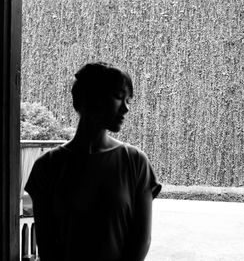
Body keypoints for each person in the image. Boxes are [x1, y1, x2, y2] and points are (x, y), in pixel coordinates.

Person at [25, 62, 162, 261]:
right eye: (118, 97)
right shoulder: (47, 166)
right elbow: (46, 244)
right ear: (92, 97)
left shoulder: (135, 162)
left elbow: (141, 240)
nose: (126, 108)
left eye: (128, 99)